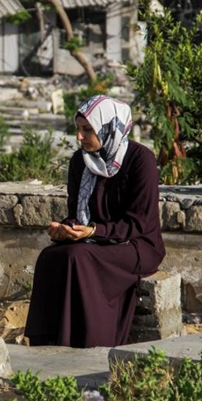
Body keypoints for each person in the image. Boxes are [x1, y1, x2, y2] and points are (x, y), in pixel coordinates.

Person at [24, 95, 166, 348]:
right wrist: (65, 228)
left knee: (77, 258)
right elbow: (76, 212)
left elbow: (139, 222)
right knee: (50, 257)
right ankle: (47, 341)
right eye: (78, 129)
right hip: (94, 240)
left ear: (107, 127)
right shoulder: (81, 161)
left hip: (136, 244)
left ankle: (90, 341)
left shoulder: (140, 160)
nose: (80, 137)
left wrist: (93, 231)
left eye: (87, 130)